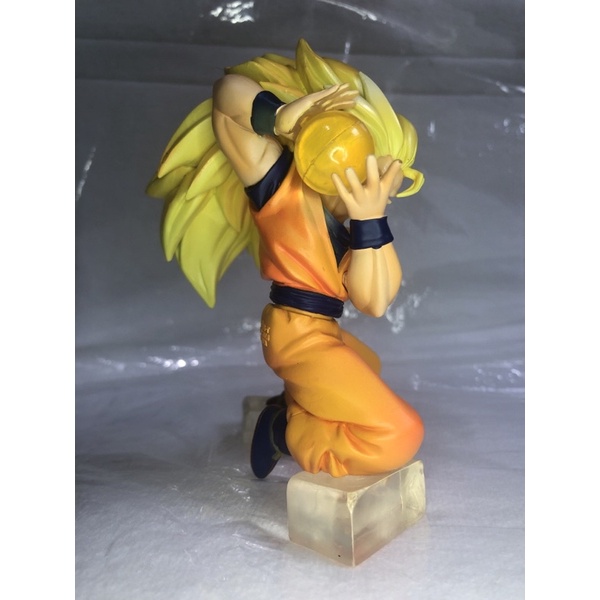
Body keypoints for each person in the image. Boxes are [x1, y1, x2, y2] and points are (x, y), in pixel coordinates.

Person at [147, 39, 425, 479]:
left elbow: (374, 301)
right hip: (294, 334)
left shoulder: (358, 228)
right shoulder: (279, 184)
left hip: (318, 331)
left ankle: (291, 404)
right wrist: (278, 117)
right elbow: (226, 98)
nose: (382, 186)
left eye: (388, 179)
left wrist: (371, 221)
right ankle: (286, 432)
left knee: (368, 364)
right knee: (399, 434)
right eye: (378, 170)